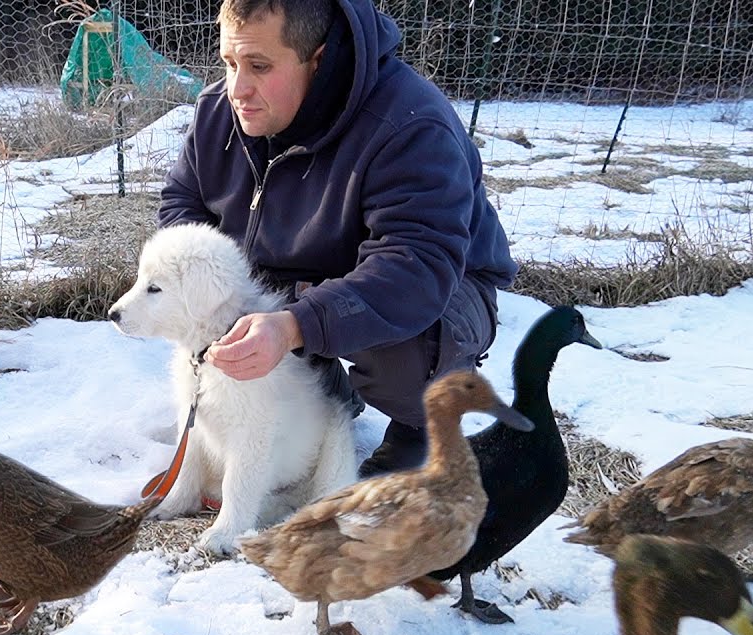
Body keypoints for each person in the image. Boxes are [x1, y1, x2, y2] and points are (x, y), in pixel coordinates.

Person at [158, 0, 517, 476]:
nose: (237, 89)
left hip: (435, 289)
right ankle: (323, 384)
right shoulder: (217, 113)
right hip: (289, 277)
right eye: (229, 63)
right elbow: (183, 205)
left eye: (260, 66)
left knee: (407, 353)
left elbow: (416, 267)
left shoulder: (410, 124)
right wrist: (216, 286)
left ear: (319, 59)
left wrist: (293, 325)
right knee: (228, 310)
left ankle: (417, 425)